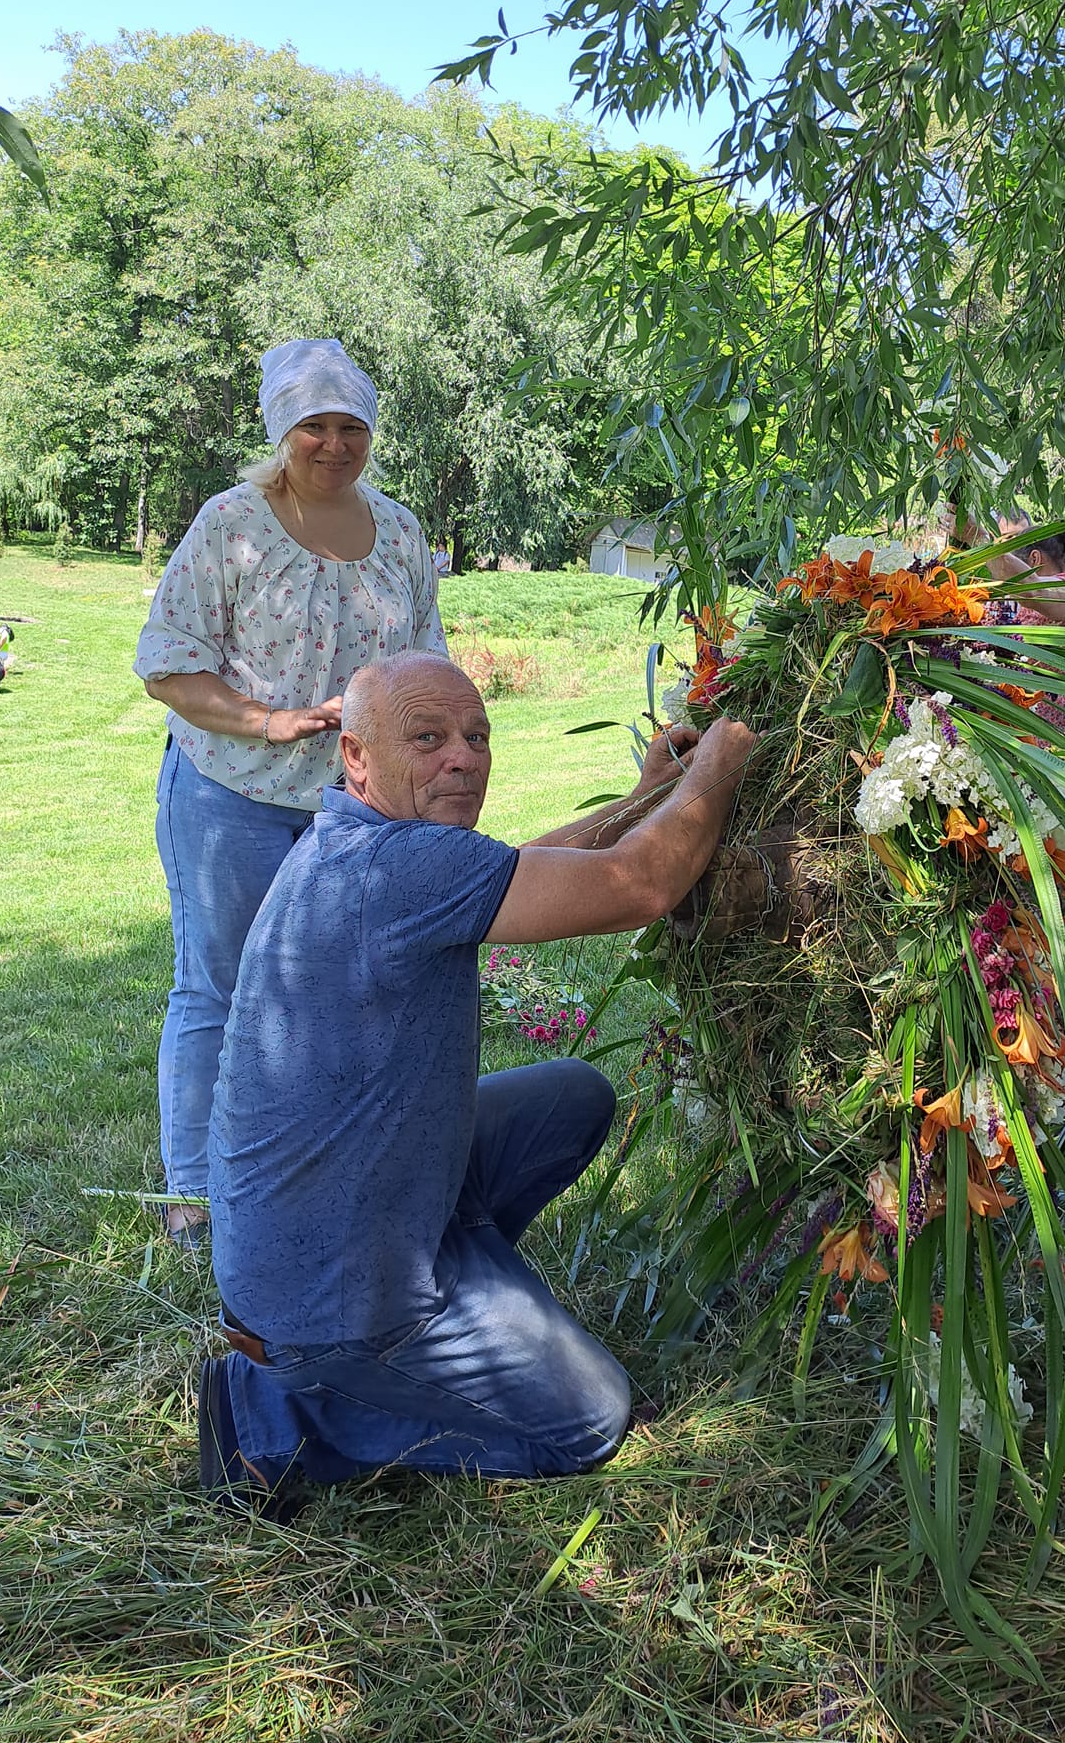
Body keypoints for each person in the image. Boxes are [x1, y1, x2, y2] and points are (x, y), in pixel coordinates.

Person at [198, 651, 755, 1513]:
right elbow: (643, 885)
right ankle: (288, 1412)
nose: (463, 756)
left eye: (476, 736)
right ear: (356, 756)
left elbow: (525, 870)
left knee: (572, 1097)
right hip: (327, 1292)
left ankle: (465, 1282)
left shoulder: (362, 845)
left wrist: (650, 798)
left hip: (356, 1215)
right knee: (591, 1420)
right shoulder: (393, 869)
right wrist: (726, 755)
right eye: (428, 738)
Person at [134, 338, 448, 1249]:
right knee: (216, 990)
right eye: (315, 425)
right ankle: (192, 1194)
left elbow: (426, 661)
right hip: (227, 795)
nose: (334, 444)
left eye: (352, 426)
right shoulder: (231, 523)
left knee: (336, 993)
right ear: (283, 430)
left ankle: (306, 1166)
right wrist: (264, 721)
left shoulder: (399, 533)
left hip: (353, 813)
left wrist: (426, 756)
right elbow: (167, 664)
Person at [951, 513, 1065, 747]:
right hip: (1033, 742)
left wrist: (978, 538)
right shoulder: (1024, 608)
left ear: (1034, 559)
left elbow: (1033, 592)